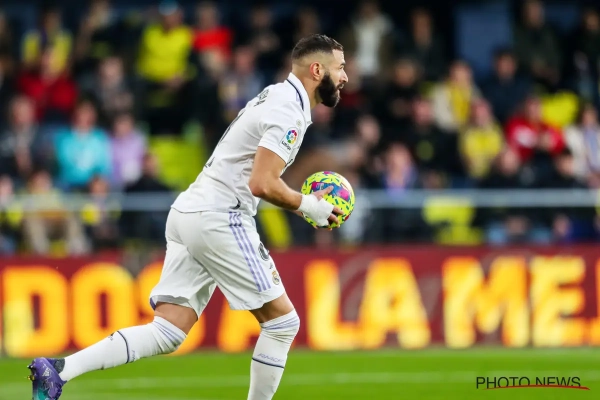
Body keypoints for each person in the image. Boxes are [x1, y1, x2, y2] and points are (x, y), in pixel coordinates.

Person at [28, 33, 348, 400]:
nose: (345, 77)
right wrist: (310, 205)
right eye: (340, 68)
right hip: (220, 216)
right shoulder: (288, 109)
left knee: (167, 332)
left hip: (191, 210)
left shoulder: (276, 96)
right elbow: (262, 183)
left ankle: (59, 370)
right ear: (317, 70)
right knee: (283, 323)